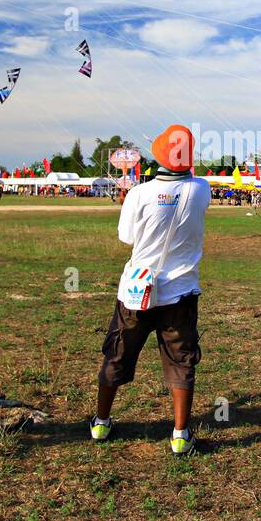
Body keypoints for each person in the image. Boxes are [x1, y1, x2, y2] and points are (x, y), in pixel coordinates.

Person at [91, 125, 211, 455]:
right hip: (181, 292)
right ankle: (180, 433)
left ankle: (101, 422)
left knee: (117, 353)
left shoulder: (138, 194)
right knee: (181, 360)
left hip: (136, 291)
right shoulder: (201, 189)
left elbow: (127, 238)